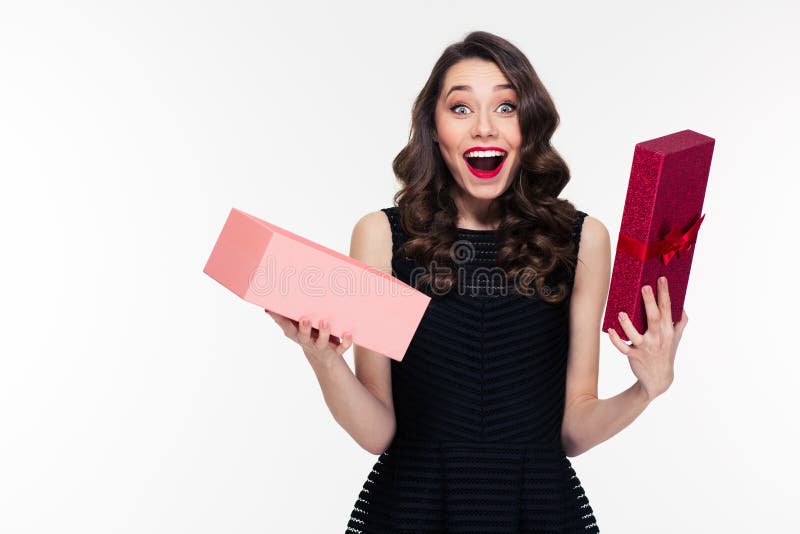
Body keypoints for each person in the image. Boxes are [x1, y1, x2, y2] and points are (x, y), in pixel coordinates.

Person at [266, 30, 688, 533]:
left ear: (528, 127)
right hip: (413, 509)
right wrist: (324, 359)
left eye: (506, 107)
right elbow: (377, 432)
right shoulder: (382, 235)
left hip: (538, 510)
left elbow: (573, 429)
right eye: (461, 108)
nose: (484, 127)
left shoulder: (582, 240)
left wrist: (645, 389)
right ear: (434, 128)